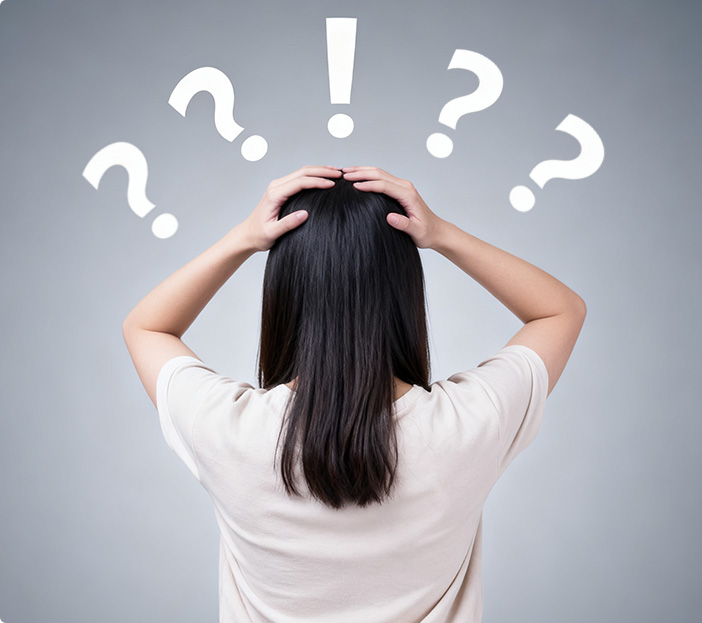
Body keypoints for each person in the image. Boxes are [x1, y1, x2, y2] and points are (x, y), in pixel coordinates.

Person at [122, 165, 586, 622]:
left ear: (283, 292)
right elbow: (561, 311)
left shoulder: (227, 429)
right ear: (404, 292)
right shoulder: (470, 422)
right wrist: (441, 234)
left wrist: (243, 238)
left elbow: (145, 327)